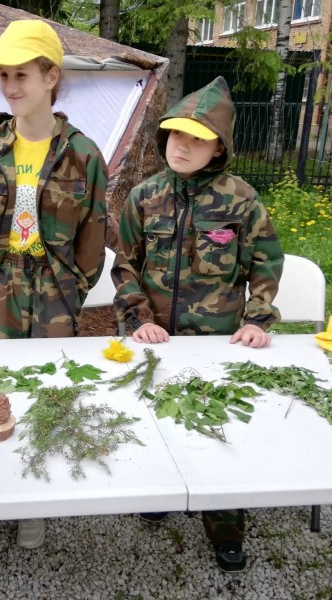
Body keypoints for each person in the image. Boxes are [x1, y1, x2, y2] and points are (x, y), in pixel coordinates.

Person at [111, 76, 284, 572]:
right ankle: (159, 490)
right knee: (153, 418)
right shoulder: (144, 196)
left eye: (196, 137)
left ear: (219, 149)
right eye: (174, 134)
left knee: (219, 430)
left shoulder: (241, 201)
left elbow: (266, 264)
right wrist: (138, 317)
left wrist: (257, 320)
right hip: (156, 341)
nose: (181, 146)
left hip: (218, 344)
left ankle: (225, 523)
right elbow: (123, 263)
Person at [0, 19, 108, 557]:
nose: (10, 87)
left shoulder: (84, 155)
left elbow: (94, 236)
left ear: (51, 76)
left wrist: (72, 291)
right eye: (3, 76)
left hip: (55, 295)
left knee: (47, 393)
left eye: (21, 74)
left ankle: (32, 501)